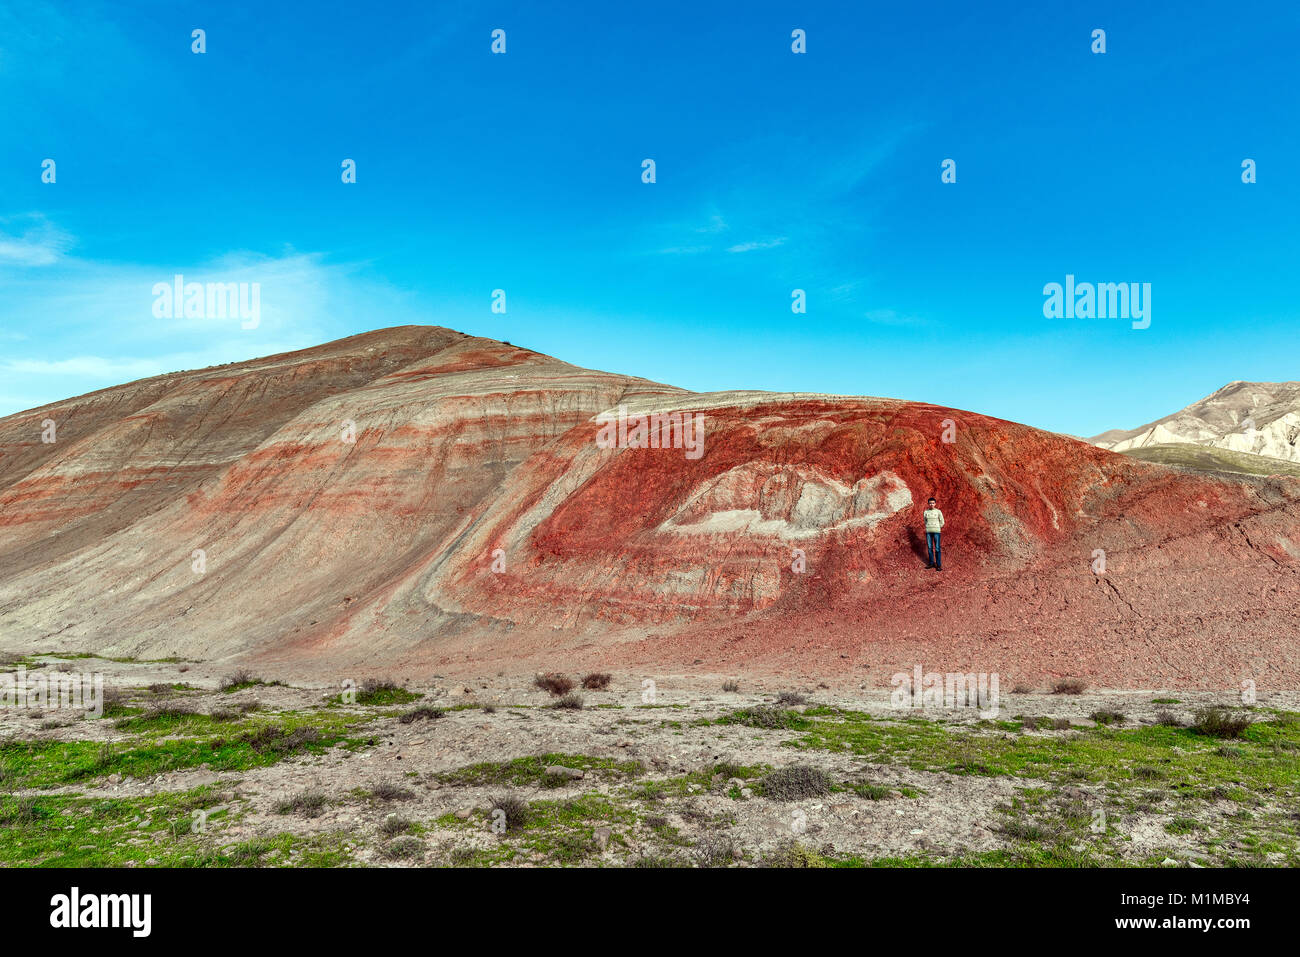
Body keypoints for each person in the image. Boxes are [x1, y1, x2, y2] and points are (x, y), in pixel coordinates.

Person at [923, 496, 944, 571]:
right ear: (928, 504)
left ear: (935, 504)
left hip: (936, 532)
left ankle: (938, 565)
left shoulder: (938, 511)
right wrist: (928, 527)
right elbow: (925, 521)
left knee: (937, 548)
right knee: (929, 548)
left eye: (933, 503)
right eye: (930, 503)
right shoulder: (925, 512)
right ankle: (931, 563)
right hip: (928, 532)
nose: (931, 504)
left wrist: (937, 527)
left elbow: (942, 521)